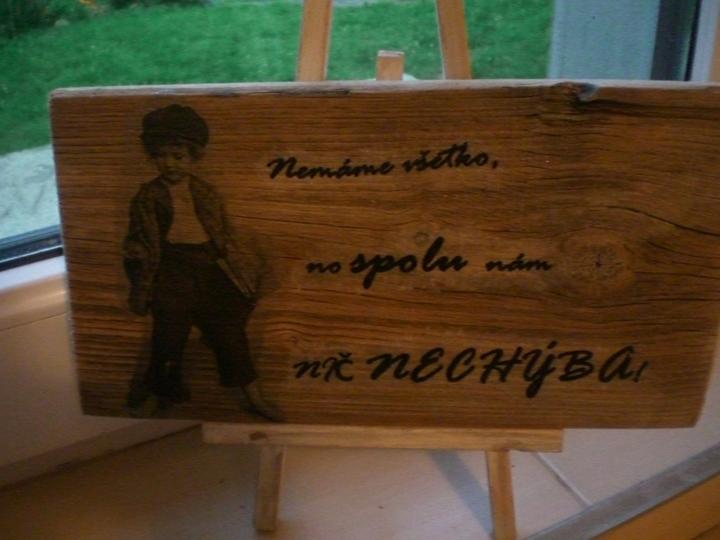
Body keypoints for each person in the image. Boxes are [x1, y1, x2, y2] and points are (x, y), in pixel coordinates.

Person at [123, 104, 280, 421]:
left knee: (230, 331)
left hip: (207, 264)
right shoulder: (148, 196)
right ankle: (159, 394)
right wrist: (141, 267)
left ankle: (253, 395)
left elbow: (223, 233)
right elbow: (139, 239)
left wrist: (239, 264)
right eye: (161, 156)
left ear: (194, 157)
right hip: (171, 267)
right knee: (168, 335)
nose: (169, 163)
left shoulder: (205, 192)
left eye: (178, 156)